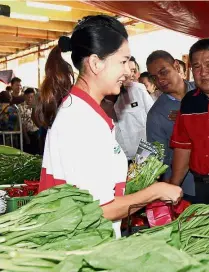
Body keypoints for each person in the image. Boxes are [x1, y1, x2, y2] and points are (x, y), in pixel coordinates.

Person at [35, 15, 182, 238]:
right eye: (122, 62)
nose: (128, 71)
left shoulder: (83, 112)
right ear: (96, 63)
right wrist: (155, 192)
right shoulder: (82, 121)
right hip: (82, 246)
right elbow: (98, 211)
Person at [170, 38, 209, 205]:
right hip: (201, 187)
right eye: (197, 67)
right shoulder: (189, 101)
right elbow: (183, 147)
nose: (203, 73)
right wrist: (173, 186)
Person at [146, 50, 196, 203]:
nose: (160, 80)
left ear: (176, 66)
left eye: (163, 72)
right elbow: (158, 157)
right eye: (154, 77)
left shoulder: (202, 91)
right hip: (187, 187)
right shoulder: (157, 114)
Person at [114, 57, 154, 162]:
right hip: (118, 160)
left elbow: (153, 121)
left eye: (133, 70)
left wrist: (143, 158)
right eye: (129, 69)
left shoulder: (138, 90)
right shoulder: (103, 97)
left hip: (143, 158)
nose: (131, 74)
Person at [19, 88, 40, 154]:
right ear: (25, 96)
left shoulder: (37, 106)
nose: (30, 99)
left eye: (32, 97)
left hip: (37, 133)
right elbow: (22, 123)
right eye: (28, 97)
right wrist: (26, 137)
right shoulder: (21, 107)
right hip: (27, 134)